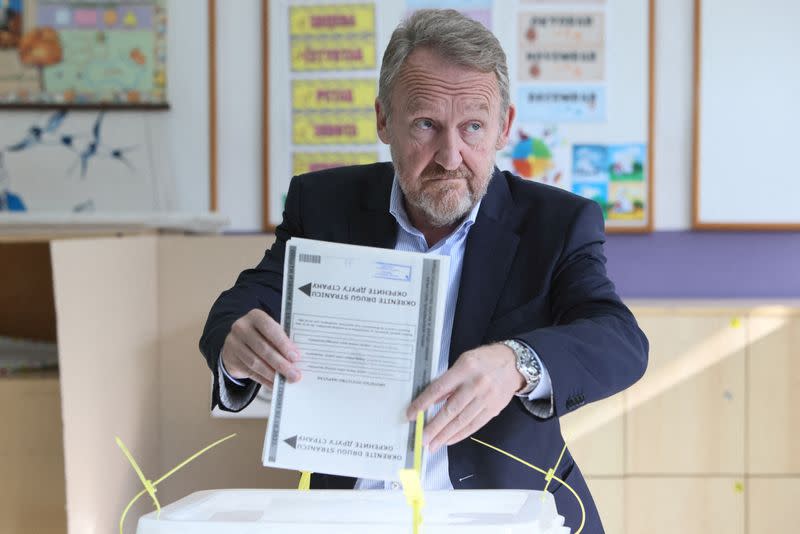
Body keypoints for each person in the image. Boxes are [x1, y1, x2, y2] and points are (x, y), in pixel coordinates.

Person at [200, 9, 648, 533]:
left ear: (504, 127)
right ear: (384, 121)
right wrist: (236, 342)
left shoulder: (558, 222)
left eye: (473, 127)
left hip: (508, 514)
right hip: (352, 516)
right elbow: (244, 301)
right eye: (426, 125)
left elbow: (619, 339)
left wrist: (516, 364)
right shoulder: (325, 203)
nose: (450, 156)